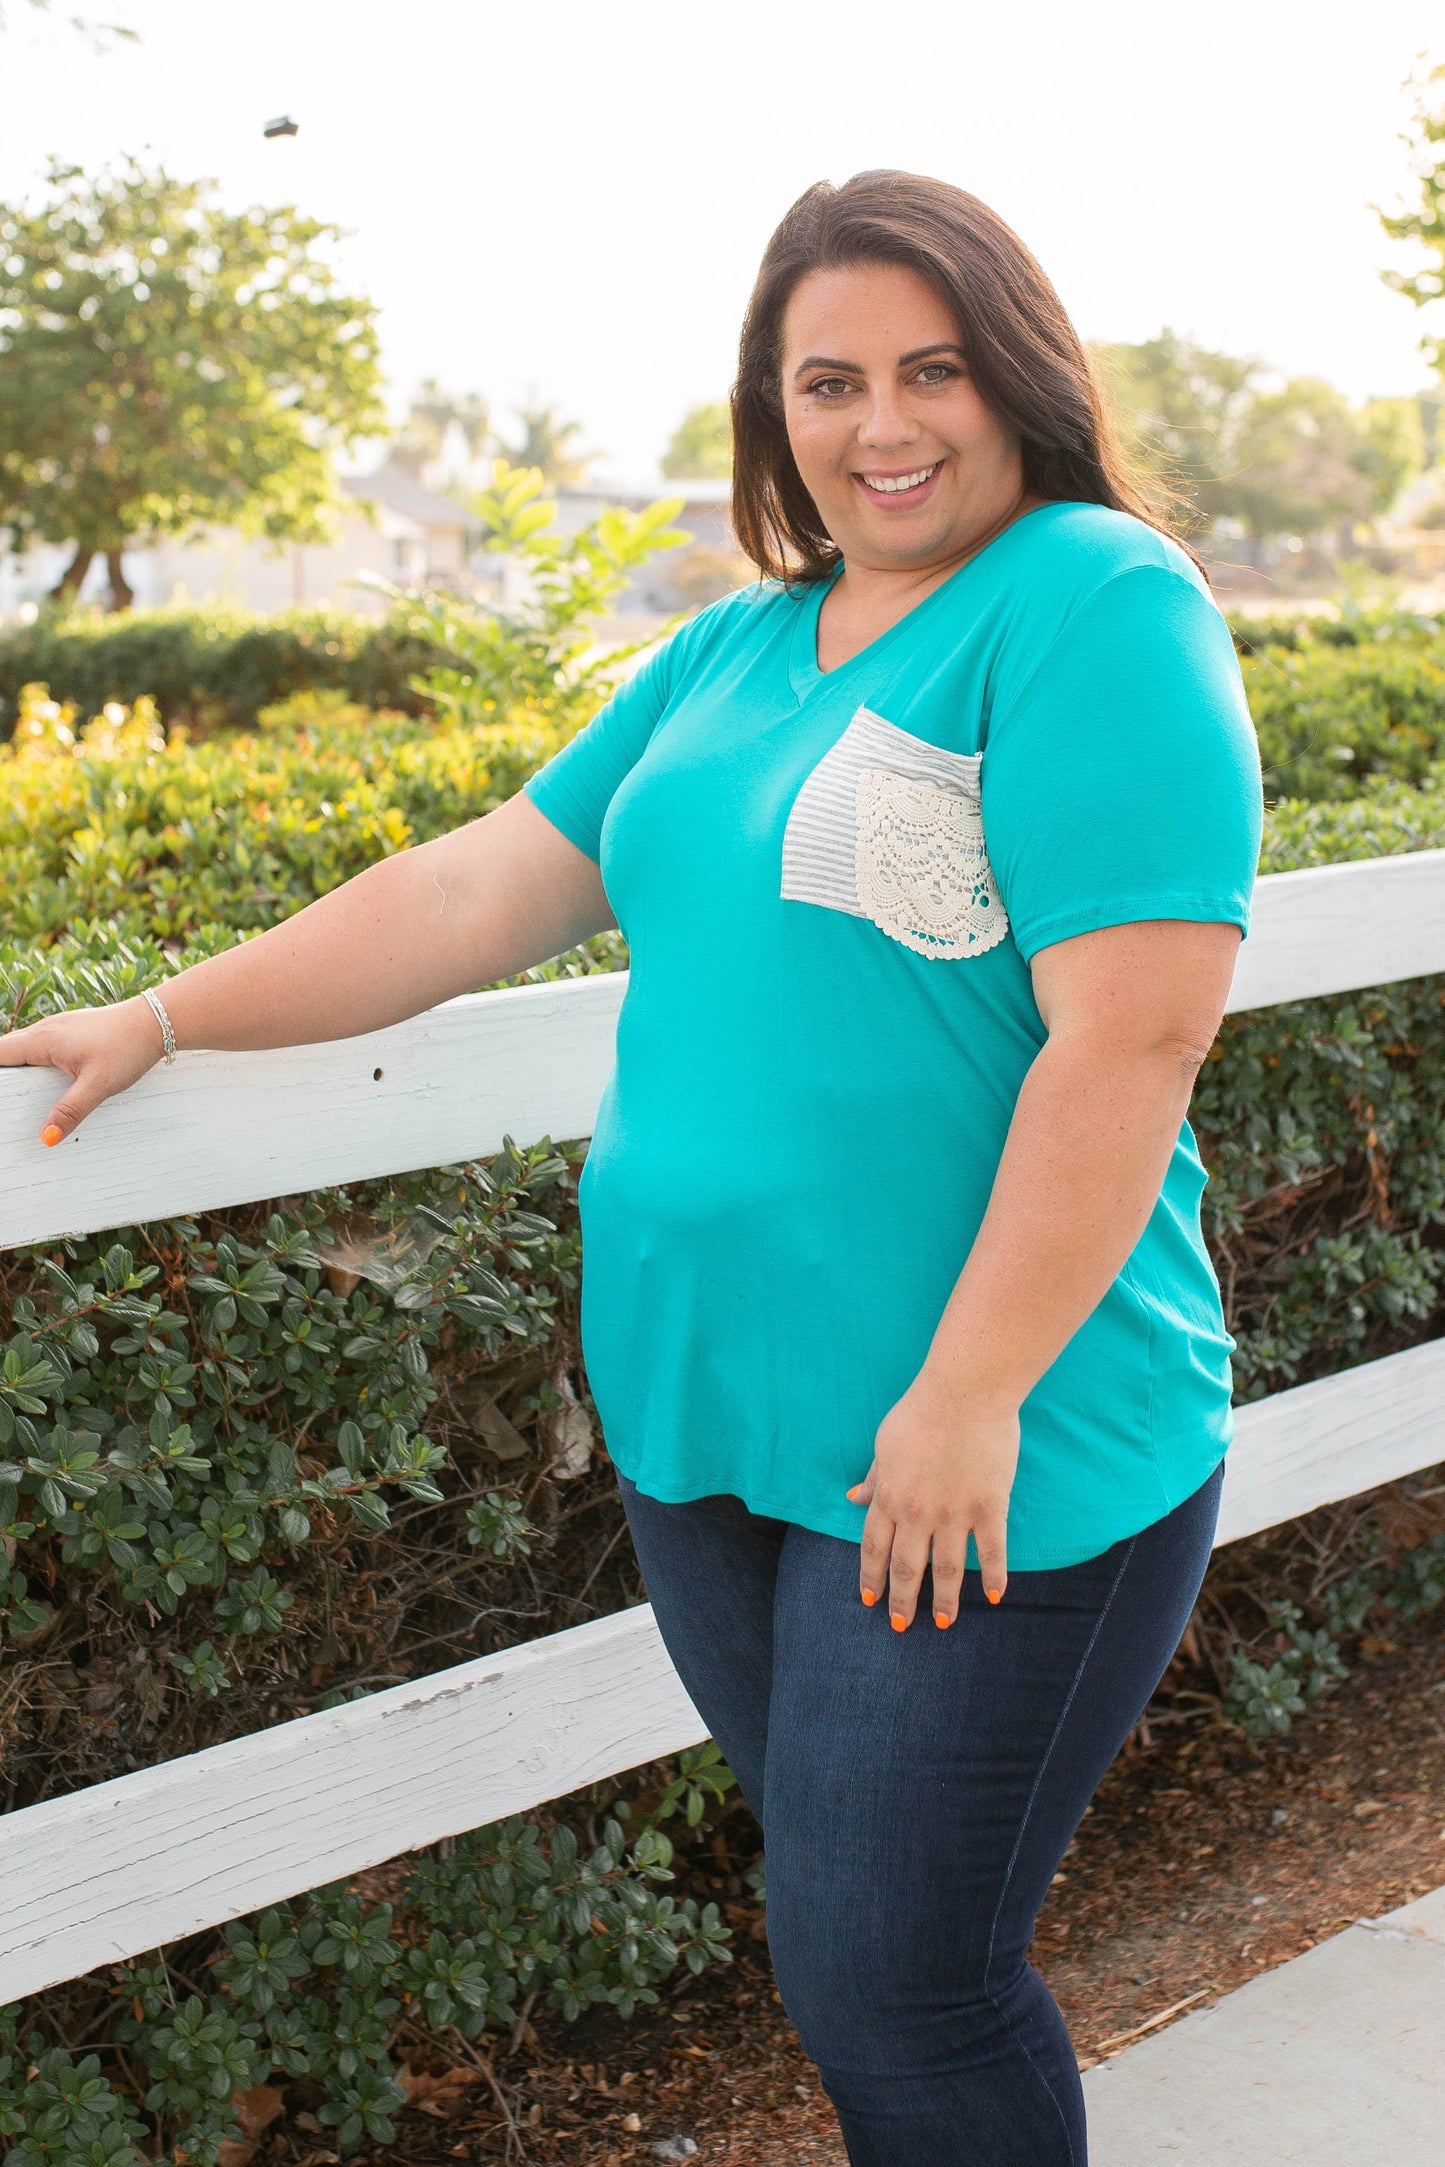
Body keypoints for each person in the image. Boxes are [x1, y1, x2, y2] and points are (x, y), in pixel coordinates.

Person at [1, 170, 1262, 2166]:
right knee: (854, 1940)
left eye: (931, 368)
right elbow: (480, 881)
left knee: (897, 1984)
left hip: (979, 1445)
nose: (883, 422)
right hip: (713, 1434)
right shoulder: (736, 652)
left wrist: (967, 1391)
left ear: (1015, 375)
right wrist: (164, 1014)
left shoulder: (1096, 602)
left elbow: (1137, 1035)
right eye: (828, 378)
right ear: (772, 413)